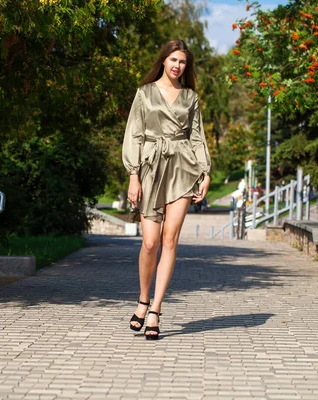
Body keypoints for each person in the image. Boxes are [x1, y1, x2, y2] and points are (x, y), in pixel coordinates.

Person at [122, 39, 211, 340]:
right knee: (150, 242)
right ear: (163, 60)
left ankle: (156, 310)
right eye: (173, 59)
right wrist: (133, 175)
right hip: (149, 168)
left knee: (169, 239)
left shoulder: (190, 98)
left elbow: (197, 137)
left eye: (183, 62)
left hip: (183, 169)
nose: (177, 65)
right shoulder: (144, 94)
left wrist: (205, 171)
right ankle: (142, 300)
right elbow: (134, 135)